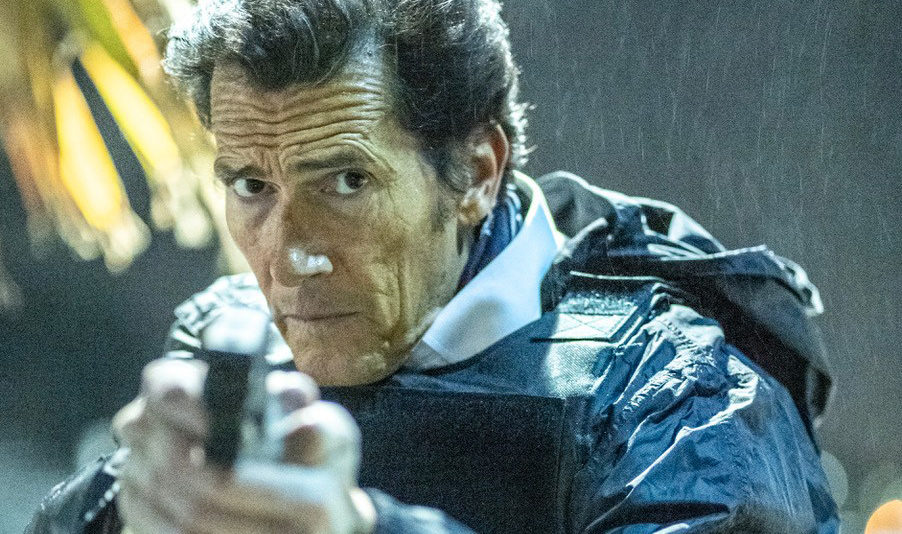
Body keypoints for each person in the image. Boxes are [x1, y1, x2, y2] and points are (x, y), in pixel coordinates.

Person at [27, 0, 840, 532]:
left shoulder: (674, 386)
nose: (289, 256)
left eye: (347, 182)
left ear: (477, 173)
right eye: (251, 186)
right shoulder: (236, 341)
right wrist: (131, 503)